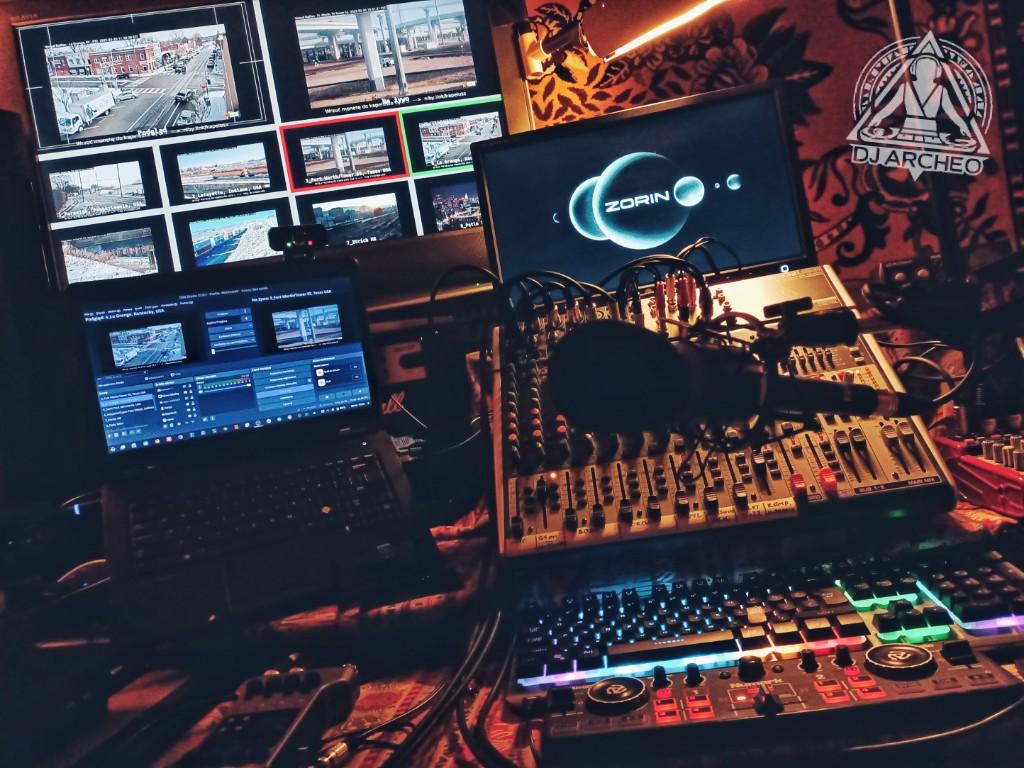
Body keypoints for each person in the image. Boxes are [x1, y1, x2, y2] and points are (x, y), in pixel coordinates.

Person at [868, 54, 973, 146]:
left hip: (932, 135)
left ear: (937, 72)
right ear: (914, 70)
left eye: (929, 68)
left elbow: (952, 113)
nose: (926, 72)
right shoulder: (905, 87)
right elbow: (891, 107)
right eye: (922, 68)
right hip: (907, 133)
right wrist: (878, 117)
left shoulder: (941, 90)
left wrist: (962, 125)